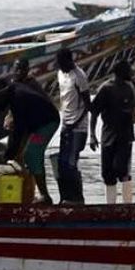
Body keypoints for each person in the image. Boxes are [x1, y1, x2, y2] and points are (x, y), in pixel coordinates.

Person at [0, 76, 60, 204]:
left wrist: (8, 155)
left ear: (3, 93)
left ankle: (45, 196)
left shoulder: (18, 98)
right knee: (23, 156)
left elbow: (19, 131)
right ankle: (28, 193)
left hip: (47, 124)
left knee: (32, 153)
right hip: (34, 123)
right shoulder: (12, 92)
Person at [90, 60, 135, 204]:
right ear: (121, 73)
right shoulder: (106, 89)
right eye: (129, 71)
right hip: (108, 136)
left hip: (125, 136)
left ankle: (127, 205)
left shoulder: (132, 86)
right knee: (107, 173)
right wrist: (92, 135)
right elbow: (94, 112)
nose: (131, 73)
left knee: (122, 170)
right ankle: (110, 206)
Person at [55, 48, 91, 204]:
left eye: (63, 63)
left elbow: (88, 105)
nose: (61, 67)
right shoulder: (60, 74)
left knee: (71, 162)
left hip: (78, 127)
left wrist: (74, 123)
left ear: (70, 61)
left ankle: (77, 198)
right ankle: (66, 196)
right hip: (66, 124)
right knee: (61, 163)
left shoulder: (79, 76)